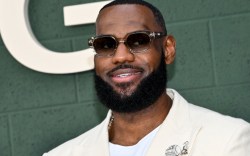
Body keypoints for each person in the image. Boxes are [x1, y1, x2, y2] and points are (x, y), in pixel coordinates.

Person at [43, 0, 250, 156]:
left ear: (167, 49)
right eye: (106, 44)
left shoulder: (226, 140)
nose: (121, 56)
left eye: (139, 40)